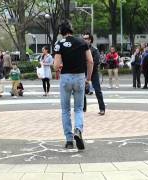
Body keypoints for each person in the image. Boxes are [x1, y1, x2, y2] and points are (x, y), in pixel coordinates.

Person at [54, 21, 93, 150]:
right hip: (79, 77)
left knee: (65, 110)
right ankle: (78, 130)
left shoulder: (59, 44)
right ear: (71, 29)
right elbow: (90, 61)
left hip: (65, 78)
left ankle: (69, 140)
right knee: (78, 108)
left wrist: (59, 67)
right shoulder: (83, 42)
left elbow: (56, 65)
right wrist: (88, 78)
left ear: (61, 32)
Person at [82, 32, 105, 115]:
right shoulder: (81, 49)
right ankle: (83, 108)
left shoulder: (94, 50)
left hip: (93, 72)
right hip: (83, 72)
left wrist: (89, 72)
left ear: (90, 40)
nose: (84, 40)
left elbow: (96, 62)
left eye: (86, 38)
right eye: (83, 38)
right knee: (82, 91)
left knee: (98, 91)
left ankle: (102, 109)